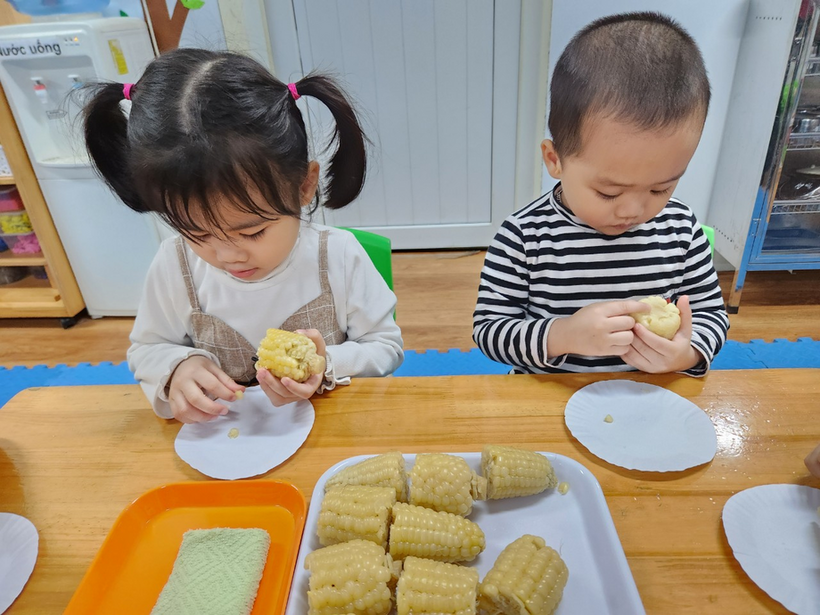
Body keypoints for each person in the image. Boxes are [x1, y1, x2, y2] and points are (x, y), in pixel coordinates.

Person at [82, 48, 403, 422]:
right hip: (225, 436)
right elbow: (147, 348)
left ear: (304, 185)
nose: (227, 256)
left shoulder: (338, 256)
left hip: (331, 430)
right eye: (197, 233)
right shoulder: (175, 265)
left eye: (252, 232)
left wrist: (327, 362)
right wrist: (177, 367)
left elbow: (385, 347)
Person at [473, 12, 728, 376]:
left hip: (647, 394)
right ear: (555, 160)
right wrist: (562, 335)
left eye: (661, 188)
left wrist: (687, 354)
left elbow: (711, 315)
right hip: (550, 396)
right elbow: (489, 330)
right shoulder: (524, 236)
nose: (633, 210)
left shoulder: (681, 229)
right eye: (609, 192)